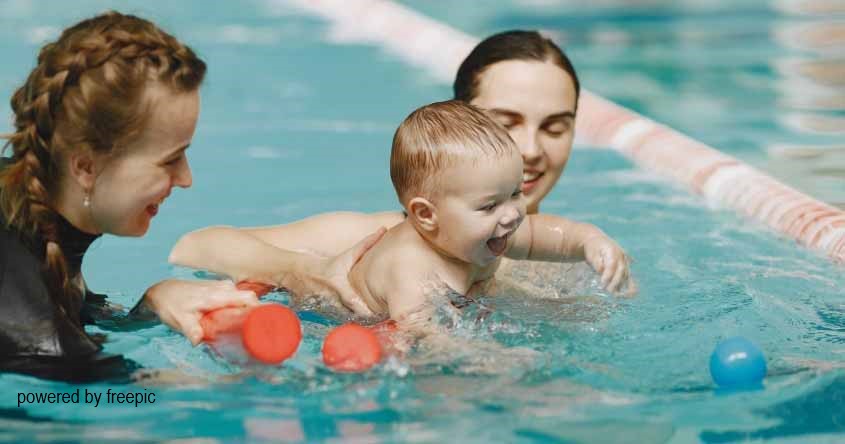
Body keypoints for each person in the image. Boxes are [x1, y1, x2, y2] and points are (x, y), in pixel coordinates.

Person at [0, 11, 381, 382]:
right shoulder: (37, 336)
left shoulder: (27, 218)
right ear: (85, 167)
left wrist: (153, 303)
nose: (186, 179)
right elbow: (78, 399)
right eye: (169, 160)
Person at [169, 30, 633, 297]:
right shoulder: (387, 241)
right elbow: (195, 247)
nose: (531, 149)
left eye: (555, 127)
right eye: (504, 122)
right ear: (462, 121)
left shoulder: (578, 262)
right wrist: (306, 273)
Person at [346, 101, 629, 333]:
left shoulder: (487, 232)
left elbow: (550, 236)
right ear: (426, 214)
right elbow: (426, 341)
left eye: (516, 193)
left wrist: (590, 241)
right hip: (354, 322)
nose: (512, 215)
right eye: (488, 206)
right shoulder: (410, 270)